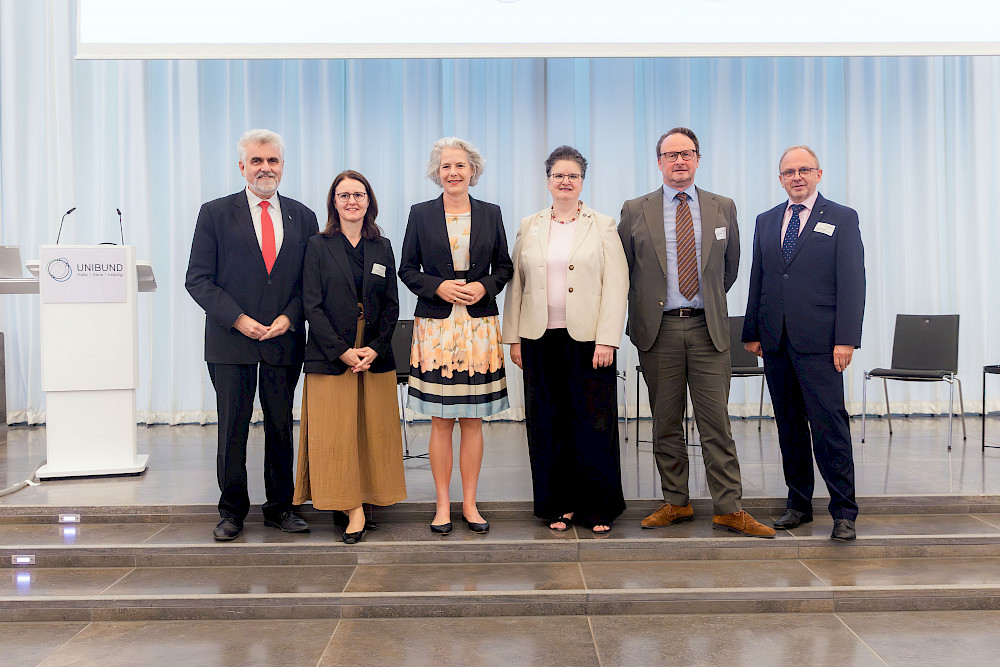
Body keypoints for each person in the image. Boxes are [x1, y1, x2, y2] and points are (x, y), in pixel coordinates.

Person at [618, 127, 775, 538]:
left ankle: (729, 507)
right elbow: (625, 270)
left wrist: (701, 298)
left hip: (708, 330)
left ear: (698, 158)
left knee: (716, 423)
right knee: (665, 423)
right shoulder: (636, 209)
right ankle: (676, 503)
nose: (679, 161)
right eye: (671, 155)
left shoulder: (722, 206)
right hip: (659, 331)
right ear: (659, 162)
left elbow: (730, 268)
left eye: (686, 153)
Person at [186, 129, 319, 541]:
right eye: (257, 161)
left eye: (273, 161)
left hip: (283, 339)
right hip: (231, 342)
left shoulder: (304, 216)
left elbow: (310, 284)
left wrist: (290, 317)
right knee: (233, 427)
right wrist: (238, 318)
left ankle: (281, 507)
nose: (265, 168)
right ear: (241, 167)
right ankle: (231, 512)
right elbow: (198, 279)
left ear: (283, 166)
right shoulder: (214, 213)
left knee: (281, 425)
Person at [502, 146, 628, 533]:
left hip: (589, 342)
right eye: (558, 175)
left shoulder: (603, 225)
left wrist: (608, 339)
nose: (565, 181)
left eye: (572, 175)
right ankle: (558, 504)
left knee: (593, 423)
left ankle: (597, 507)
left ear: (582, 181)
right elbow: (516, 284)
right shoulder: (530, 224)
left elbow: (617, 284)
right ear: (547, 181)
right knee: (547, 423)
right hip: (539, 339)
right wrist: (515, 338)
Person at [742, 145, 865, 541]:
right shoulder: (765, 220)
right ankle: (798, 504)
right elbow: (757, 278)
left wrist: (846, 340)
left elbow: (852, 283)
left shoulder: (842, 218)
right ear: (780, 179)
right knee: (789, 428)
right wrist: (752, 331)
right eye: (789, 172)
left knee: (829, 428)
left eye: (804, 170)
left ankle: (844, 511)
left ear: (818, 174)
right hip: (776, 342)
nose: (797, 177)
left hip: (822, 343)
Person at [398, 136, 512, 535]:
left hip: (479, 325)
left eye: (460, 166)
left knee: (473, 421)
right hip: (436, 327)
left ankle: (470, 503)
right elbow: (407, 269)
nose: (453, 172)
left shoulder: (491, 213)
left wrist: (484, 287)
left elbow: (504, 266)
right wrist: (437, 287)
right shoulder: (420, 214)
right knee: (441, 422)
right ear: (437, 173)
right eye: (446, 166)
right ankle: (442, 505)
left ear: (472, 171)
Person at [292, 170, 407, 545]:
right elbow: (312, 305)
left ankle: (368, 497)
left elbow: (392, 304)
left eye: (359, 195)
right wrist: (342, 351)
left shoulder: (383, 246)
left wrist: (375, 347)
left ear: (369, 201)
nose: (352, 201)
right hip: (331, 353)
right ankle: (350, 508)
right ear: (334, 202)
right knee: (335, 434)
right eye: (344, 195)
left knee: (372, 432)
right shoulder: (317, 245)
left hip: (374, 351)